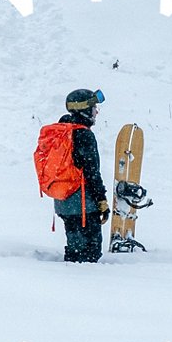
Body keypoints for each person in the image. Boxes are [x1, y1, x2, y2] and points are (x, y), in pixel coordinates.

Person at [53, 89, 109, 263]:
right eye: (93, 108)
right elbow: (92, 173)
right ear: (84, 110)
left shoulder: (61, 131)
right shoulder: (84, 135)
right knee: (89, 255)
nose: (96, 112)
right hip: (84, 205)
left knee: (75, 249)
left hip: (64, 201)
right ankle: (81, 286)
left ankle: (68, 280)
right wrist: (101, 201)